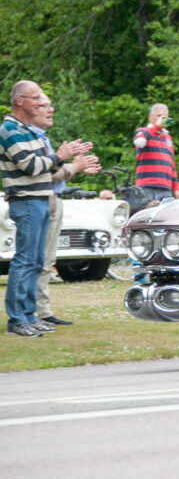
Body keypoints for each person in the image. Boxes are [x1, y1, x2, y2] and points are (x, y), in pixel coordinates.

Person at [1, 81, 93, 338]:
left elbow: (49, 168)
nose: (40, 104)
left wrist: (71, 158)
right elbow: (30, 166)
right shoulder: (10, 129)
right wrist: (61, 156)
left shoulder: (29, 131)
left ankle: (30, 316)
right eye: (35, 99)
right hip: (26, 201)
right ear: (20, 101)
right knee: (25, 260)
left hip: (41, 200)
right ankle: (17, 320)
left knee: (36, 261)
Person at [33, 94, 100, 327]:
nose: (50, 110)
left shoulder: (42, 137)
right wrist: (74, 166)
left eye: (51, 105)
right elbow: (45, 173)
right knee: (36, 259)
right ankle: (33, 313)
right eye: (43, 105)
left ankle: (42, 311)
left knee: (47, 259)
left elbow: (54, 168)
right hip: (42, 201)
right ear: (29, 107)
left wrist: (72, 163)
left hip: (53, 199)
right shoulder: (30, 137)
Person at [133, 103, 179, 205]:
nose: (162, 119)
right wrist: (156, 126)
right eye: (159, 116)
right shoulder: (143, 131)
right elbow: (139, 142)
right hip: (146, 187)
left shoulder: (168, 138)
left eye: (164, 117)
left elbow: (171, 165)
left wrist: (176, 188)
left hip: (165, 188)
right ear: (151, 118)